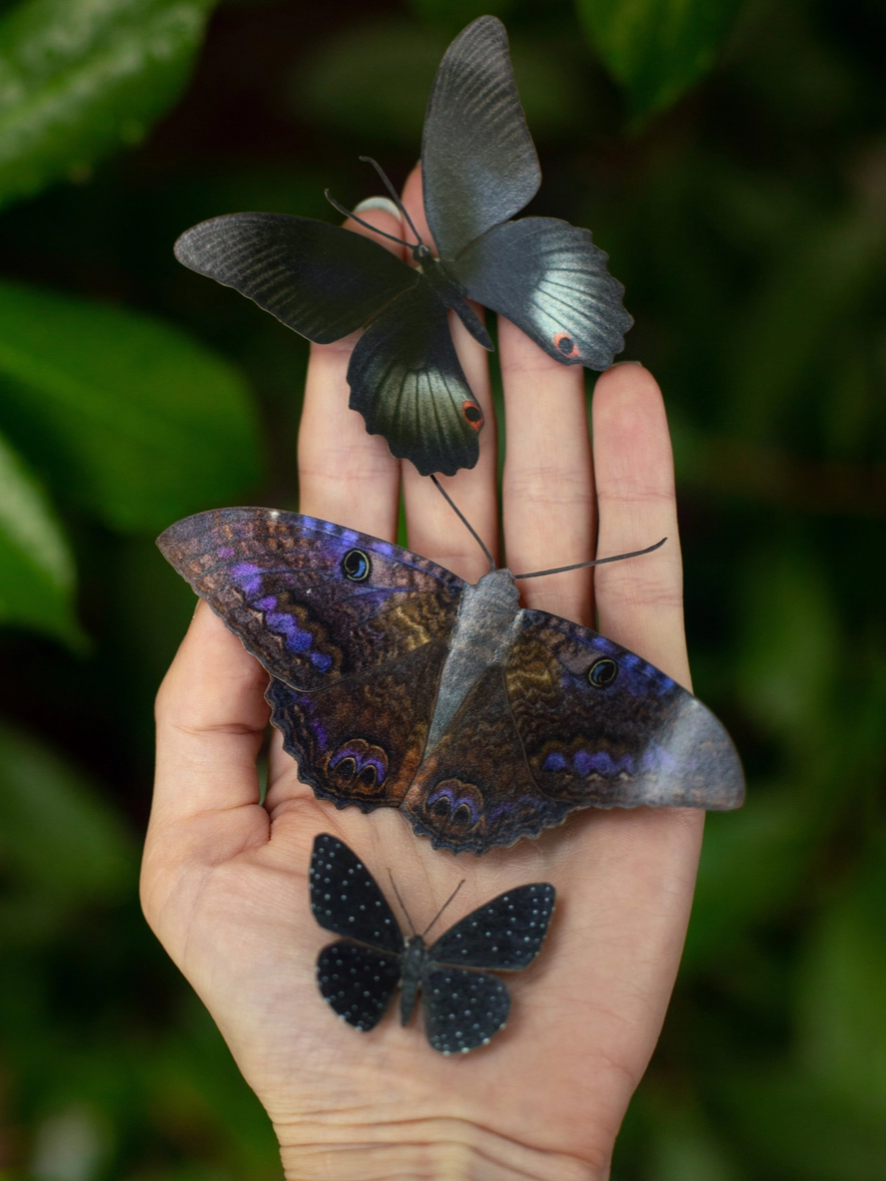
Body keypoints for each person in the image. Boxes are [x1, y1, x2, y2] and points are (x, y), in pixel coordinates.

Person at [142, 166, 702, 1181]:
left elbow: (676, 745)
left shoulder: (390, 584)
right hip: (479, 776)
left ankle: (377, 760)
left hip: (364, 718)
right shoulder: (567, 660)